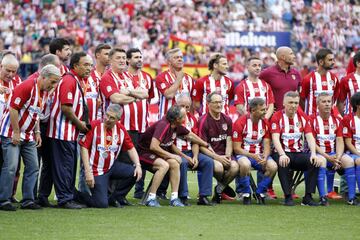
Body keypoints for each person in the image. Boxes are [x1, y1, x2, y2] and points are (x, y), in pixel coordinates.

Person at [0, 64, 61, 211]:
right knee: (11, 167)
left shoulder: (44, 91)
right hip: (11, 132)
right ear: (43, 77)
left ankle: (28, 200)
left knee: (33, 166)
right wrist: (15, 131)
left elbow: (36, 113)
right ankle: (3, 200)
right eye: (52, 82)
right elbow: (14, 108)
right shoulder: (27, 86)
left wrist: (37, 132)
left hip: (28, 135)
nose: (53, 86)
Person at [138, 105, 208, 207]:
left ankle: (174, 198)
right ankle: (151, 198)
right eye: (184, 116)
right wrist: (172, 155)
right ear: (177, 119)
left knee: (175, 163)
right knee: (164, 165)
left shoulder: (175, 126)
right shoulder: (163, 125)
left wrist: (205, 144)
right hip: (144, 153)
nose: (185, 118)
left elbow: (189, 136)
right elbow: (153, 146)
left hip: (157, 154)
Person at [47, 52, 92, 209]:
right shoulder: (69, 80)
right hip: (62, 131)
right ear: (75, 66)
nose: (89, 68)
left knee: (68, 165)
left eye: (90, 65)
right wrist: (80, 124)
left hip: (68, 132)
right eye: (86, 65)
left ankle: (69, 195)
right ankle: (65, 199)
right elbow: (66, 107)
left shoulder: (75, 80)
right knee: (64, 166)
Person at [78, 104, 142, 208]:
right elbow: (83, 147)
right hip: (96, 170)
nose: (107, 119)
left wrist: (138, 165)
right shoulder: (94, 126)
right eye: (107, 115)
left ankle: (115, 197)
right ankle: (75, 194)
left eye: (112, 118)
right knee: (101, 204)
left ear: (118, 119)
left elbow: (131, 148)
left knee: (136, 173)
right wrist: (88, 171)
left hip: (112, 167)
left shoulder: (121, 130)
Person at [270, 91, 321, 206]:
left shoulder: (303, 116)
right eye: (290, 102)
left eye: (296, 103)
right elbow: (275, 138)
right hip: (281, 152)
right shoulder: (277, 117)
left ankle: (308, 197)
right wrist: (282, 154)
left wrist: (313, 153)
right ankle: (288, 196)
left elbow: (310, 137)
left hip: (298, 153)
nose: (293, 105)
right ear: (284, 103)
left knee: (314, 162)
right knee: (283, 162)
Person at [310, 92, 358, 206]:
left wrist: (338, 156)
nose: (327, 104)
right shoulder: (312, 119)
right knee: (321, 161)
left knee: (349, 161)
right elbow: (312, 143)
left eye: (329, 102)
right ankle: (323, 197)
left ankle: (351, 198)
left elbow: (340, 140)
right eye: (324, 101)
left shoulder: (336, 120)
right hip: (319, 153)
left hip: (334, 153)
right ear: (317, 104)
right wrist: (328, 158)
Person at [233, 98, 277, 205]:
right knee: (245, 164)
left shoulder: (265, 123)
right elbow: (236, 148)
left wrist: (265, 157)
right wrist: (252, 155)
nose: (265, 112)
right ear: (253, 111)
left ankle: (259, 191)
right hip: (244, 154)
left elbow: (266, 144)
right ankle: (246, 193)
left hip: (258, 154)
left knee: (273, 166)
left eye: (265, 109)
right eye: (262, 110)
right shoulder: (240, 122)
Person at [197, 91, 239, 204]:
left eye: (220, 102)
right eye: (215, 102)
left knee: (234, 166)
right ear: (208, 104)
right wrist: (218, 158)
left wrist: (227, 156)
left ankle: (219, 189)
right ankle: (224, 187)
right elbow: (202, 146)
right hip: (210, 155)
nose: (219, 105)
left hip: (224, 153)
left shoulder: (227, 119)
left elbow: (229, 140)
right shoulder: (203, 121)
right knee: (219, 167)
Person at [125, 48, 155, 199]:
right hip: (126, 126)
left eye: (141, 57)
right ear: (128, 60)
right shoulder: (122, 77)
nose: (139, 60)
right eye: (136, 57)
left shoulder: (148, 78)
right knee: (125, 160)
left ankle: (139, 190)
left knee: (142, 159)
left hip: (143, 126)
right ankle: (118, 193)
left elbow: (149, 98)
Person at [32, 54, 62, 207]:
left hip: (49, 125)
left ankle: (42, 196)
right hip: (35, 126)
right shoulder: (33, 82)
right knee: (34, 163)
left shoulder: (53, 82)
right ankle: (30, 197)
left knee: (49, 162)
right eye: (58, 67)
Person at [174, 93, 214, 206]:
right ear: (176, 104)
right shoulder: (171, 118)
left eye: (187, 107)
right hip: (176, 152)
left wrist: (195, 156)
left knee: (208, 161)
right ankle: (183, 196)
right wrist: (186, 157)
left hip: (190, 152)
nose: (185, 109)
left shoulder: (192, 119)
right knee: (182, 163)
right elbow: (171, 143)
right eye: (182, 106)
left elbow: (195, 140)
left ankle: (204, 196)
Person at [259, 46, 301, 111]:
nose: (294, 56)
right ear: (283, 57)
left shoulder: (296, 73)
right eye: (291, 54)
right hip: (275, 117)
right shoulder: (267, 73)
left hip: (292, 115)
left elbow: (299, 94)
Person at [156, 48, 194, 119]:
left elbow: (191, 102)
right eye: (176, 57)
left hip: (184, 121)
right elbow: (169, 95)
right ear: (169, 62)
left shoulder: (189, 79)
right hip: (167, 120)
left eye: (181, 57)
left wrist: (191, 118)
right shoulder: (161, 77)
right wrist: (179, 79)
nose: (180, 59)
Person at [300, 48, 339, 115]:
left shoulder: (334, 78)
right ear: (321, 62)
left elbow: (334, 99)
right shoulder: (308, 79)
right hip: (312, 121)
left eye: (333, 60)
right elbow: (301, 100)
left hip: (329, 120)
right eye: (330, 60)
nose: (333, 62)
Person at [341, 92, 360, 205]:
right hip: (351, 153)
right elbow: (348, 143)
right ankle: (352, 197)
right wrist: (358, 153)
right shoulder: (348, 119)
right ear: (358, 105)